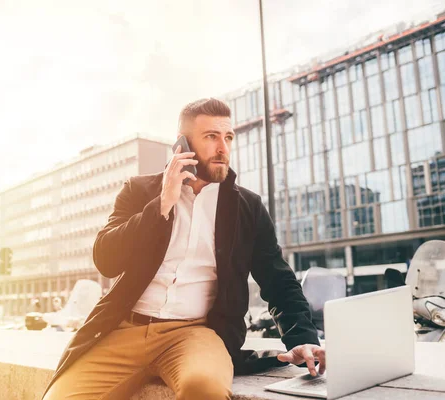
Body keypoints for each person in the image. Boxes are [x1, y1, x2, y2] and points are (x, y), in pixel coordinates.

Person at [43, 98, 324, 400]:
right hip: (124, 330)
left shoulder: (248, 207)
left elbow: (278, 279)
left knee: (206, 390)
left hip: (195, 334)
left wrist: (302, 338)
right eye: (211, 137)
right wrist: (161, 205)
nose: (223, 148)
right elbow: (106, 260)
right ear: (182, 144)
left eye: (228, 137)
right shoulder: (139, 191)